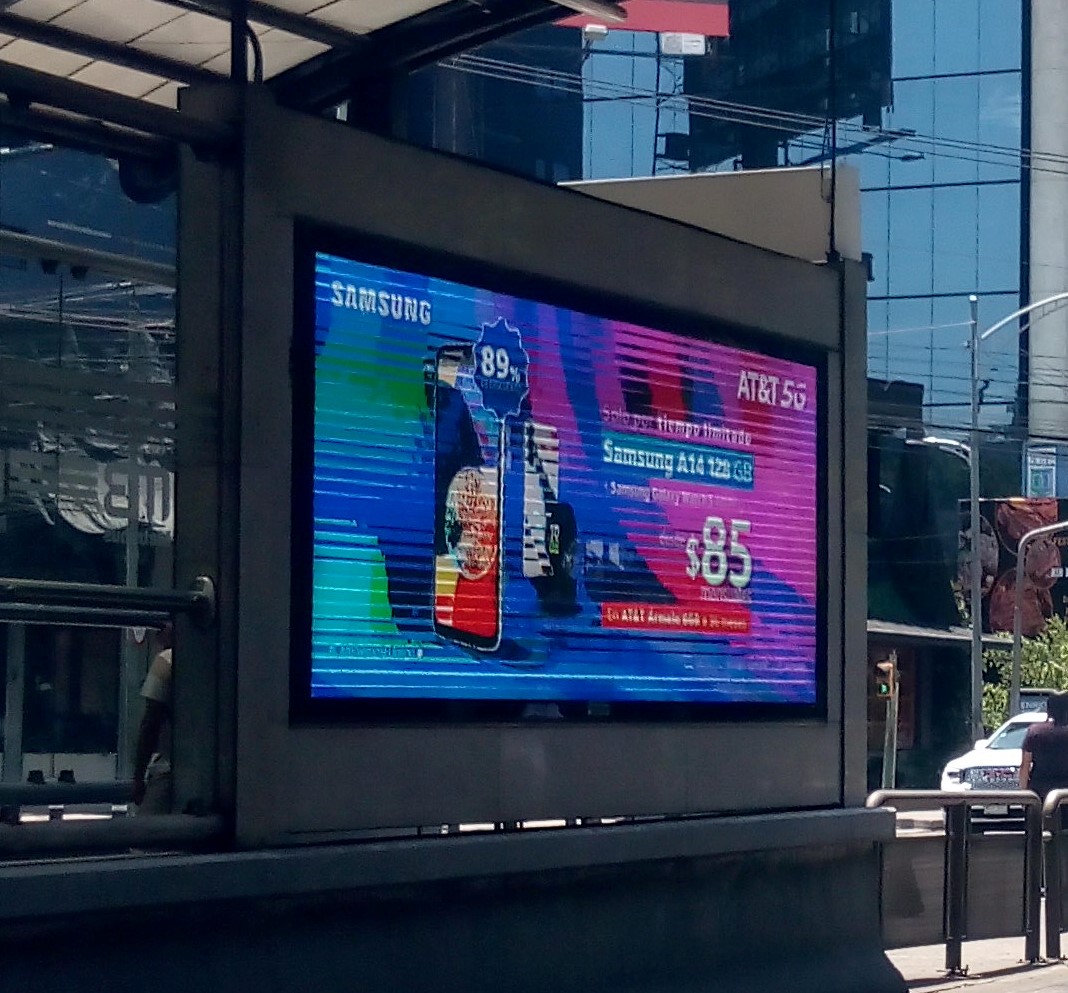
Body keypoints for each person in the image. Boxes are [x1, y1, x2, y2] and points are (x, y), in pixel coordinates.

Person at [132, 622, 173, 815]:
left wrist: (138, 777)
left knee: (146, 829)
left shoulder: (166, 661)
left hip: (169, 768)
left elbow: (150, 723)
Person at [1019, 691, 1068, 798]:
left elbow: (1025, 765)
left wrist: (1024, 794)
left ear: (1048, 709)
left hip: (1039, 793)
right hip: (1065, 793)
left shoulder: (1035, 732)